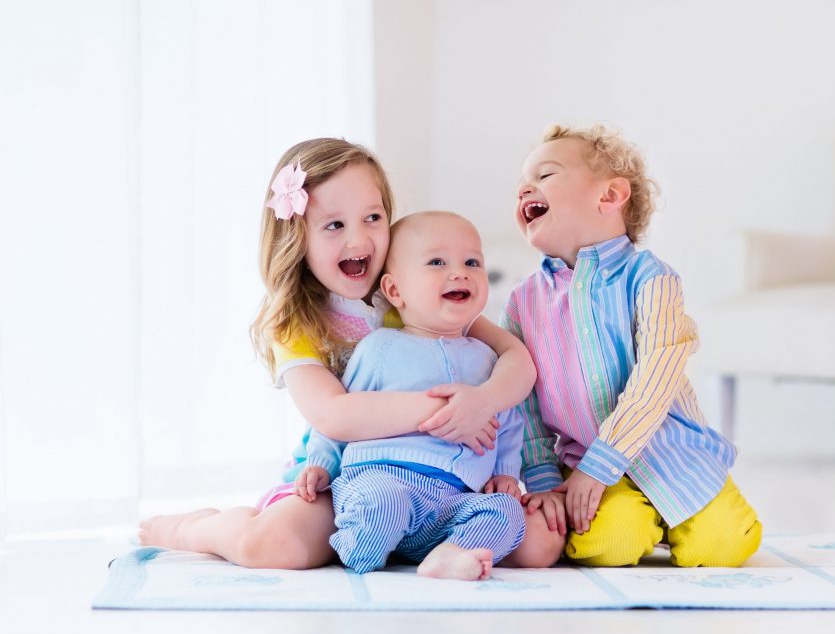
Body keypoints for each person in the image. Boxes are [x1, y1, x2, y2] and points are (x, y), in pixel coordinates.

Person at [139, 138, 563, 570]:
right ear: (297, 237)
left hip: (447, 482)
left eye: (373, 218)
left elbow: (516, 357)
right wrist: (450, 410)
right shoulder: (295, 323)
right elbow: (334, 415)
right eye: (334, 225)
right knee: (272, 546)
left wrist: (484, 402)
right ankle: (193, 528)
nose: (359, 237)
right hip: (336, 475)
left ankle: (437, 552)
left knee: (538, 546)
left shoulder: (413, 294)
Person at [504, 124, 763, 567]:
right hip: (585, 466)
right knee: (610, 545)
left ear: (609, 197)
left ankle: (673, 518)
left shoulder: (652, 278)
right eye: (522, 184)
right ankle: (640, 521)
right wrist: (545, 480)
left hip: (674, 453)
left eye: (545, 175)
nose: (525, 188)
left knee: (723, 547)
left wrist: (605, 459)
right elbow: (521, 403)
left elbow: (655, 378)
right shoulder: (522, 302)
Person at [302, 211, 526, 580]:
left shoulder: (488, 359)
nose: (460, 272)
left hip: (454, 498)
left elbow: (507, 418)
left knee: (505, 512)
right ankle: (363, 549)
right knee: (382, 503)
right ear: (394, 291)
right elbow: (341, 415)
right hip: (382, 478)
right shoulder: (381, 348)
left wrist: (505, 471)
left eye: (473, 262)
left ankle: (449, 554)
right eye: (437, 262)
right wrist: (321, 462)